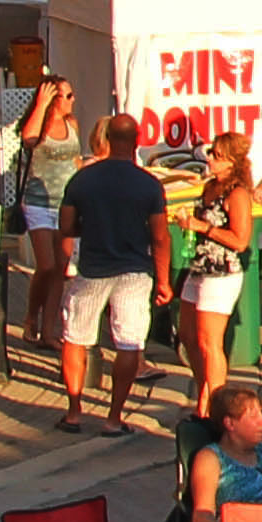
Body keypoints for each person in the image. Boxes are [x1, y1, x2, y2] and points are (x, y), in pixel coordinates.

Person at [58, 112, 175, 426]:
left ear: (107, 140)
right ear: (136, 142)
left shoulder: (83, 178)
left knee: (76, 339)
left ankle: (74, 410)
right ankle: (114, 416)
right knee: (128, 343)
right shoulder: (149, 185)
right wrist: (164, 280)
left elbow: (66, 226)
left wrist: (91, 225)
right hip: (135, 272)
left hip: (92, 269)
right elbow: (160, 237)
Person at [169, 129, 262, 398]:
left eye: (217, 156)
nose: (210, 160)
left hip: (222, 273)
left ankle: (214, 401)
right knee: (187, 335)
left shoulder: (237, 194)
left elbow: (240, 240)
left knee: (209, 341)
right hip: (199, 266)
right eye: (211, 154)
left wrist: (203, 227)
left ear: (232, 162)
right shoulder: (210, 187)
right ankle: (203, 390)